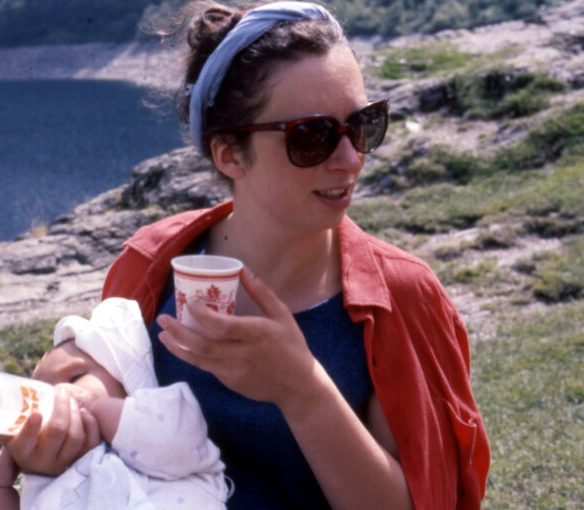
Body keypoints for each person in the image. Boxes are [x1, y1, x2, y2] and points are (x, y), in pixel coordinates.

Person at [99, 1, 491, 509]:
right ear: (229, 154)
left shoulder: (402, 301)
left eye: (363, 125)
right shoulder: (149, 268)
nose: (350, 159)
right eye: (313, 136)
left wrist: (302, 389)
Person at [0, 298, 229, 510]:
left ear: (127, 377)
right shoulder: (53, 476)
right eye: (44, 394)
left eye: (75, 377)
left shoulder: (161, 421)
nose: (58, 396)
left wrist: (99, 408)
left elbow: (183, 443)